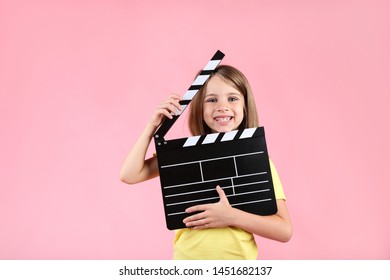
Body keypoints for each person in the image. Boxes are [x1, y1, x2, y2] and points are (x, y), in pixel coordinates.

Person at [120, 65, 292, 259]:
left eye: (232, 98)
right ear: (200, 108)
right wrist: (152, 127)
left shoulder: (257, 161)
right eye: (211, 100)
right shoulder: (183, 156)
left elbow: (284, 230)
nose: (222, 106)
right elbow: (129, 174)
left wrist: (232, 216)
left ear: (245, 105)